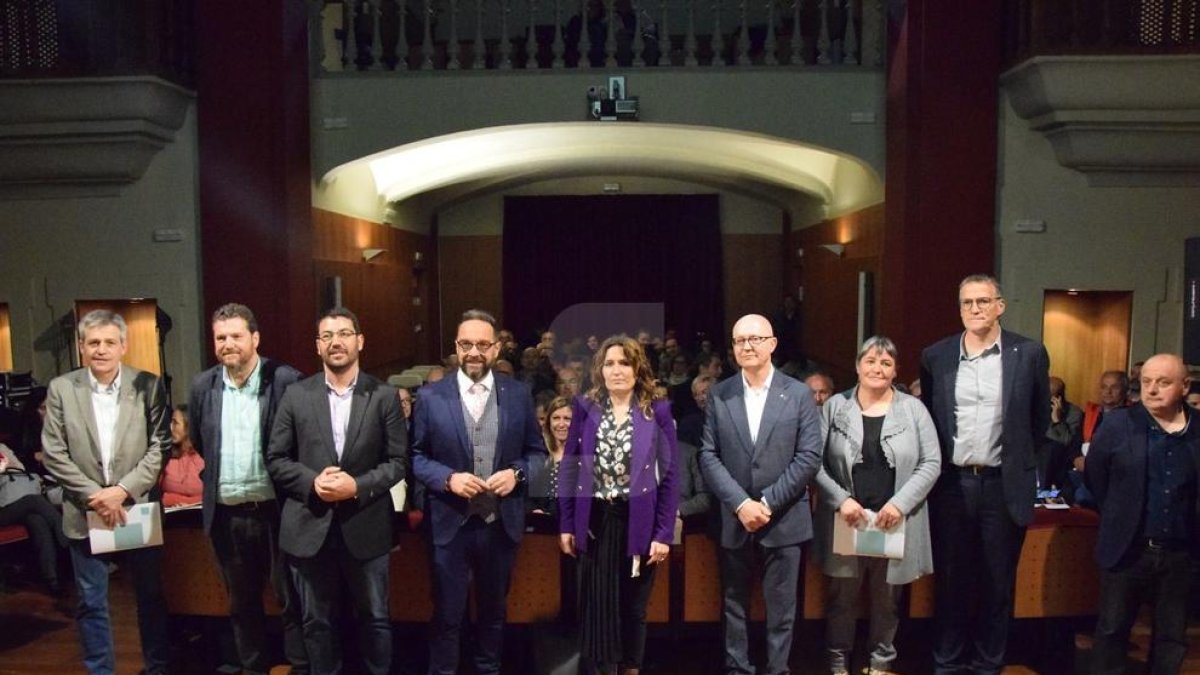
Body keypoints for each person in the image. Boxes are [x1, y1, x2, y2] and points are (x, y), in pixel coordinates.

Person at [919, 274, 1050, 675]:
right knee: (952, 581)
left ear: (1000, 306)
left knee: (997, 583)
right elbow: (931, 418)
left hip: (1001, 485)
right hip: (952, 485)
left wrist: (1030, 475)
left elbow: (1040, 421)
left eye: (982, 301)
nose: (974, 309)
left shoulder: (1028, 354)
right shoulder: (935, 356)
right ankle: (948, 661)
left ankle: (988, 663)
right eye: (966, 303)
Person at [266, 307, 406, 675]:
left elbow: (397, 462)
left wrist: (355, 486)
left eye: (344, 333)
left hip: (366, 526)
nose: (336, 342)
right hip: (309, 526)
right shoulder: (296, 395)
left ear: (359, 341)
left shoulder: (384, 395)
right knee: (316, 621)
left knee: (375, 620)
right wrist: (313, 482)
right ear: (317, 346)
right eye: (327, 336)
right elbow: (276, 458)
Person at [412, 309, 546, 675]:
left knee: (493, 615)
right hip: (448, 524)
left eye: (482, 345)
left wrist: (517, 474)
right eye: (466, 344)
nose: (474, 352)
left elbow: (538, 455)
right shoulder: (429, 396)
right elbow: (415, 457)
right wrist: (447, 478)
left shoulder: (519, 394)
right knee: (446, 616)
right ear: (456, 346)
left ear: (497, 348)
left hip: (499, 524)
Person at [41, 309, 172, 674]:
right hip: (86, 510)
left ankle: (157, 668)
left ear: (123, 346)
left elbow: (159, 447)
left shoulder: (148, 384)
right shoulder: (62, 389)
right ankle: (100, 670)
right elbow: (53, 452)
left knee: (149, 599)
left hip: (136, 507)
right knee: (90, 602)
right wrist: (97, 495)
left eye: (109, 342)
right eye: (93, 342)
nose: (101, 349)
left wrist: (122, 491)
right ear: (81, 347)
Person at [698, 314, 823, 675]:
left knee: (782, 608)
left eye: (755, 339)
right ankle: (737, 668)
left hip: (783, 516)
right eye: (740, 341)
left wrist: (766, 503)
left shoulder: (798, 393)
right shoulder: (720, 393)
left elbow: (809, 456)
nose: (748, 346)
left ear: (772, 343)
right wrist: (741, 503)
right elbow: (708, 454)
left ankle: (777, 669)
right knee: (733, 605)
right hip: (733, 517)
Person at [188, 302, 308, 675]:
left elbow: (301, 443)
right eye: (221, 337)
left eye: (236, 336)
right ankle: (254, 669)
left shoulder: (286, 380)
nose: (228, 344)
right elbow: (200, 441)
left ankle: (301, 668)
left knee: (291, 600)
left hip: (277, 512)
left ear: (255, 338)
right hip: (227, 514)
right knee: (241, 605)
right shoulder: (202, 386)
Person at [812, 336, 941, 675]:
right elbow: (814, 463)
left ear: (896, 370)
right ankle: (838, 662)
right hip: (847, 520)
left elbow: (931, 463)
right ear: (857, 366)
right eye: (870, 361)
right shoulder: (834, 407)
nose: (877, 368)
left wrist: (899, 505)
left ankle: (881, 662)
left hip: (892, 521)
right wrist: (842, 500)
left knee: (887, 601)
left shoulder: (914, 410)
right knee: (842, 598)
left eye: (885, 363)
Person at [558, 334, 680, 675]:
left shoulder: (657, 411)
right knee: (599, 606)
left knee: (633, 609)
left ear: (638, 367)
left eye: (624, 362)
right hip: (597, 520)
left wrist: (663, 532)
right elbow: (570, 468)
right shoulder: (586, 407)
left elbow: (670, 478)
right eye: (609, 363)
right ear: (600, 369)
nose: (617, 370)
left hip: (639, 520)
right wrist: (567, 525)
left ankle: (630, 670)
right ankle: (602, 670)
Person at [1086, 354, 1199, 674]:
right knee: (1111, 631)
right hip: (1128, 547)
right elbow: (1097, 477)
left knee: (1171, 636)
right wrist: (1119, 515)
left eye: (1163, 382)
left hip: (1181, 553)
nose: (1151, 390)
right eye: (1146, 382)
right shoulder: (1118, 424)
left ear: (1184, 386)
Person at [0, 444, 67, 595]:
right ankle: (70, 543)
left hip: (12, 503)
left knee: (37, 521)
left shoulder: (2, 448)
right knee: (34, 501)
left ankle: (52, 581)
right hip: (4, 509)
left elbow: (20, 468)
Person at [530, 395, 572, 515]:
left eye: (567, 419)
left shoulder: (582, 456)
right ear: (549, 422)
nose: (561, 424)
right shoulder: (538, 453)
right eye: (556, 418)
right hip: (541, 526)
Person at [159, 404, 204, 508]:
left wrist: (185, 502)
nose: (170, 427)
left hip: (200, 517)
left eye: (175, 423)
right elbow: (158, 496)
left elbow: (213, 496)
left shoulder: (205, 457)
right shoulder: (166, 455)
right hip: (170, 518)